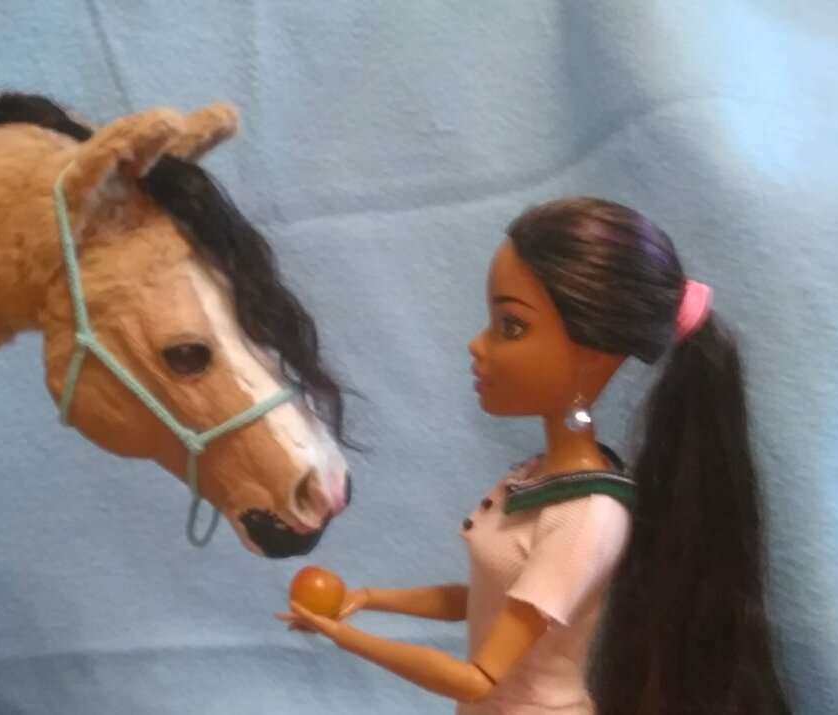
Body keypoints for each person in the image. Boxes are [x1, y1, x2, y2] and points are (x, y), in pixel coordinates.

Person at [279, 197, 792, 714]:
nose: (478, 345)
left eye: (511, 326)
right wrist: (368, 599)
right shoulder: (537, 479)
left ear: (592, 352)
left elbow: (478, 679)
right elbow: (484, 604)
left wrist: (343, 637)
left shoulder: (585, 516)